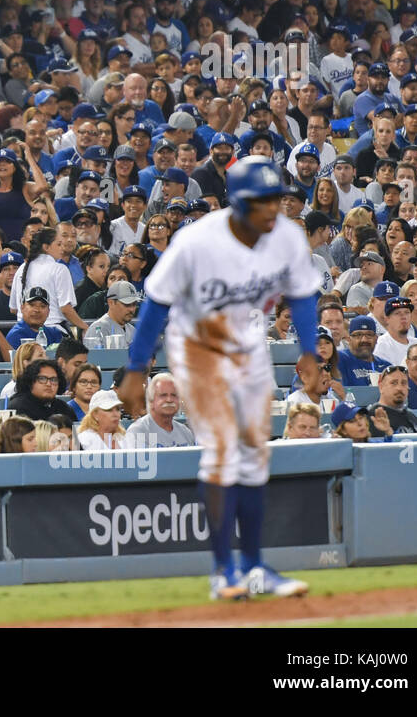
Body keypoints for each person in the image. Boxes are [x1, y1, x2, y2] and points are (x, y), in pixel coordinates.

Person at [119, 155, 321, 600]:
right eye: (262, 201)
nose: (273, 209)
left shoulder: (286, 237)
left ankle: (254, 568)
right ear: (240, 203)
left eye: (276, 199)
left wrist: (309, 350)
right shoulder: (196, 241)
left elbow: (303, 294)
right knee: (223, 452)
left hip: (249, 347)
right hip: (198, 350)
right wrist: (136, 368)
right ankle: (223, 572)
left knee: (254, 457)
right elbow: (155, 302)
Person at [124, 372, 196, 447]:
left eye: (174, 395)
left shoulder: (185, 432)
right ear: (151, 400)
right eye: (163, 395)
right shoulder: (138, 431)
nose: (169, 400)